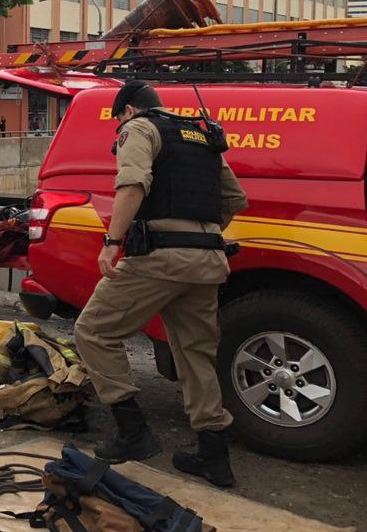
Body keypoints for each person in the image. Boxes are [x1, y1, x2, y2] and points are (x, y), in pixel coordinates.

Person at [72, 79, 248, 487]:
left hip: (159, 257)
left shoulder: (140, 129)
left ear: (127, 111)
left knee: (94, 331)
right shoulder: (201, 135)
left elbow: (133, 185)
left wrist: (112, 243)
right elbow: (235, 199)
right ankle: (213, 457)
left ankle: (133, 434)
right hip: (208, 259)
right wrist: (199, 235)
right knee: (195, 354)